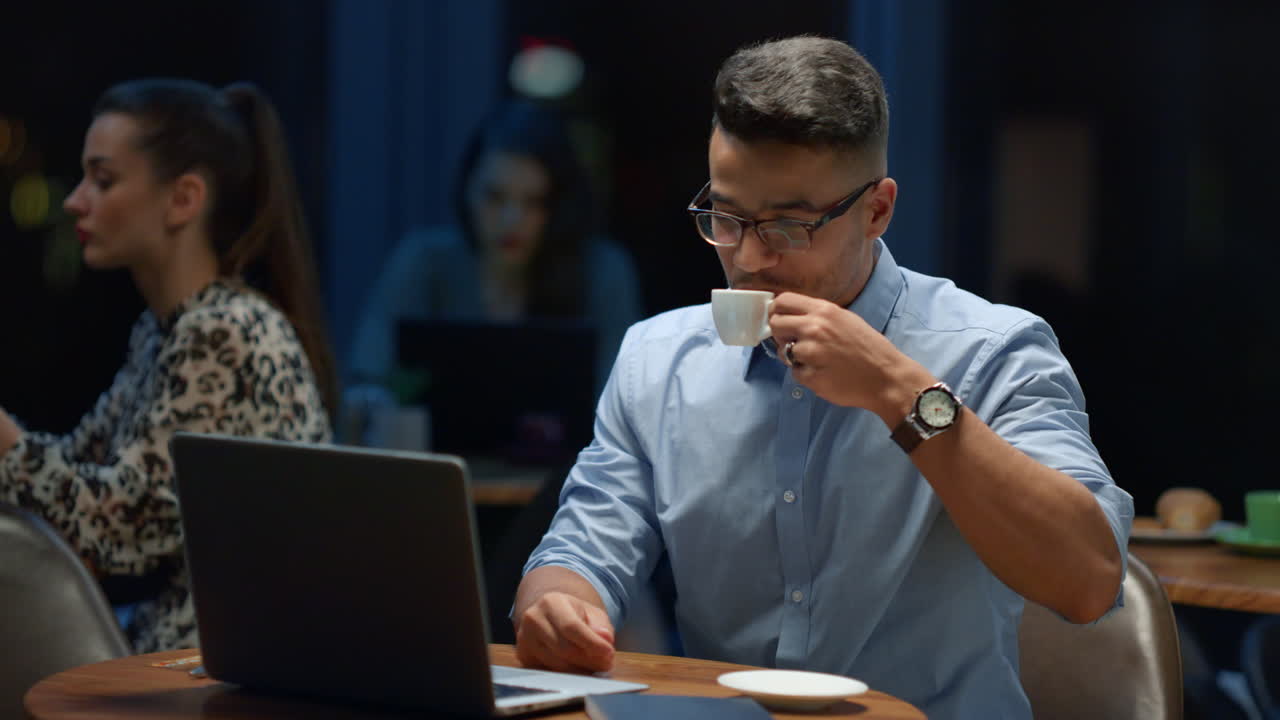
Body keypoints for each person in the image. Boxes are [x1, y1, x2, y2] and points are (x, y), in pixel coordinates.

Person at [512, 36, 1133, 719]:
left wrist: (900, 392)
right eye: (725, 216)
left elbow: (1089, 582)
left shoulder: (994, 349)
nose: (748, 258)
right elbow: (578, 550)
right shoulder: (656, 361)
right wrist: (555, 605)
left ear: (877, 209)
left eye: (786, 225)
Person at [0, 79, 335, 653]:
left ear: (183, 199)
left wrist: (3, 443)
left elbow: (117, 529)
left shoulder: (223, 331)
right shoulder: (165, 329)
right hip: (177, 650)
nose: (75, 200)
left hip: (232, 663)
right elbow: (75, 472)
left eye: (102, 180)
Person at [346, 98, 641, 402]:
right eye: (494, 197)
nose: (511, 220)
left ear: (558, 205)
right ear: (466, 192)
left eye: (533, 202)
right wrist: (375, 400)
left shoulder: (602, 272)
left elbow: (619, 403)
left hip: (571, 452)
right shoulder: (424, 262)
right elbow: (367, 377)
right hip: (438, 450)